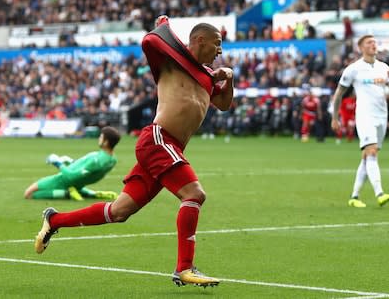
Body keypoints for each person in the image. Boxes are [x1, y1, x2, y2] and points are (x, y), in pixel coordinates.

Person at [34, 16, 233, 287]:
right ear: (199, 40)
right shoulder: (172, 62)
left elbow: (222, 104)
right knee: (194, 194)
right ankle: (185, 268)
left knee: (119, 212)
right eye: (217, 43)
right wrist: (165, 26)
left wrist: (228, 79)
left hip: (168, 147)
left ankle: (54, 220)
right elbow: (150, 39)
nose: (220, 50)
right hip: (158, 139)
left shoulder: (209, 77)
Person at [331, 34, 389, 208]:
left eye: (374, 42)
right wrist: (335, 117)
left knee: (367, 156)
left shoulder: (383, 68)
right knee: (371, 152)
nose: (373, 45)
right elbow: (339, 93)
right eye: (369, 43)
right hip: (364, 116)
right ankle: (380, 193)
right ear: (361, 47)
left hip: (381, 116)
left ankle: (354, 196)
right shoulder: (353, 69)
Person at [24, 126, 121, 201]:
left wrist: (57, 163)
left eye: (101, 137)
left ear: (106, 142)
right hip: (79, 183)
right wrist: (71, 161)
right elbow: (86, 171)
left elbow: (71, 176)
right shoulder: (112, 159)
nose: (99, 139)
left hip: (63, 180)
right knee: (75, 185)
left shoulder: (96, 160)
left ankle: (66, 193)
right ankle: (90, 193)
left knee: (29, 194)